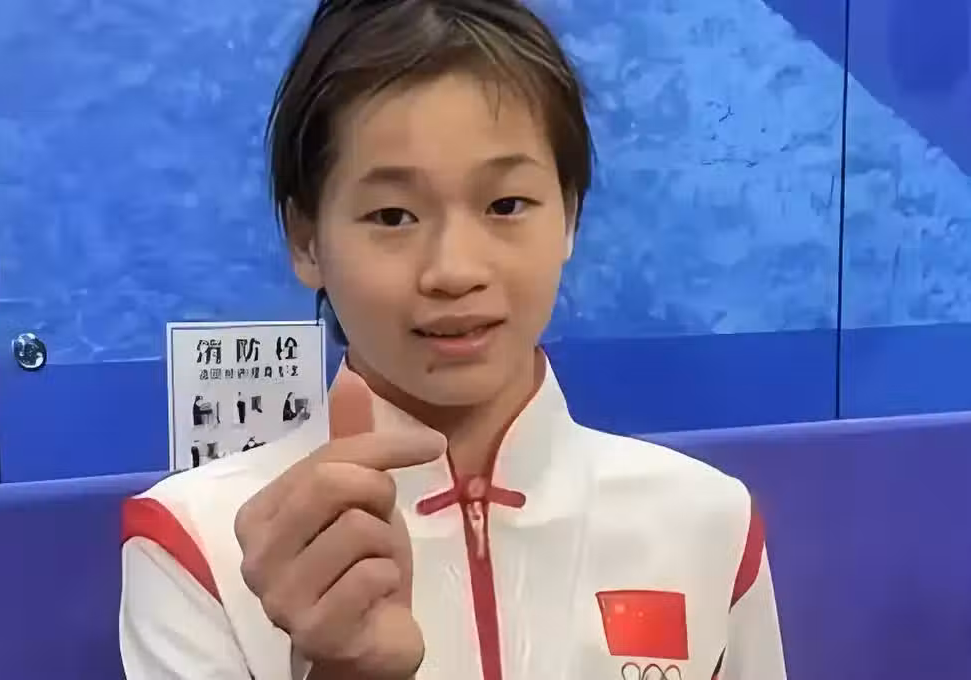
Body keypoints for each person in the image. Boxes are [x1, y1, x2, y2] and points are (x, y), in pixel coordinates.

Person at [119, 1, 787, 679]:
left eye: (506, 205)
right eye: (392, 216)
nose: (455, 270)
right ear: (306, 240)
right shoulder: (198, 547)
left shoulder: (707, 524)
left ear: (569, 216)